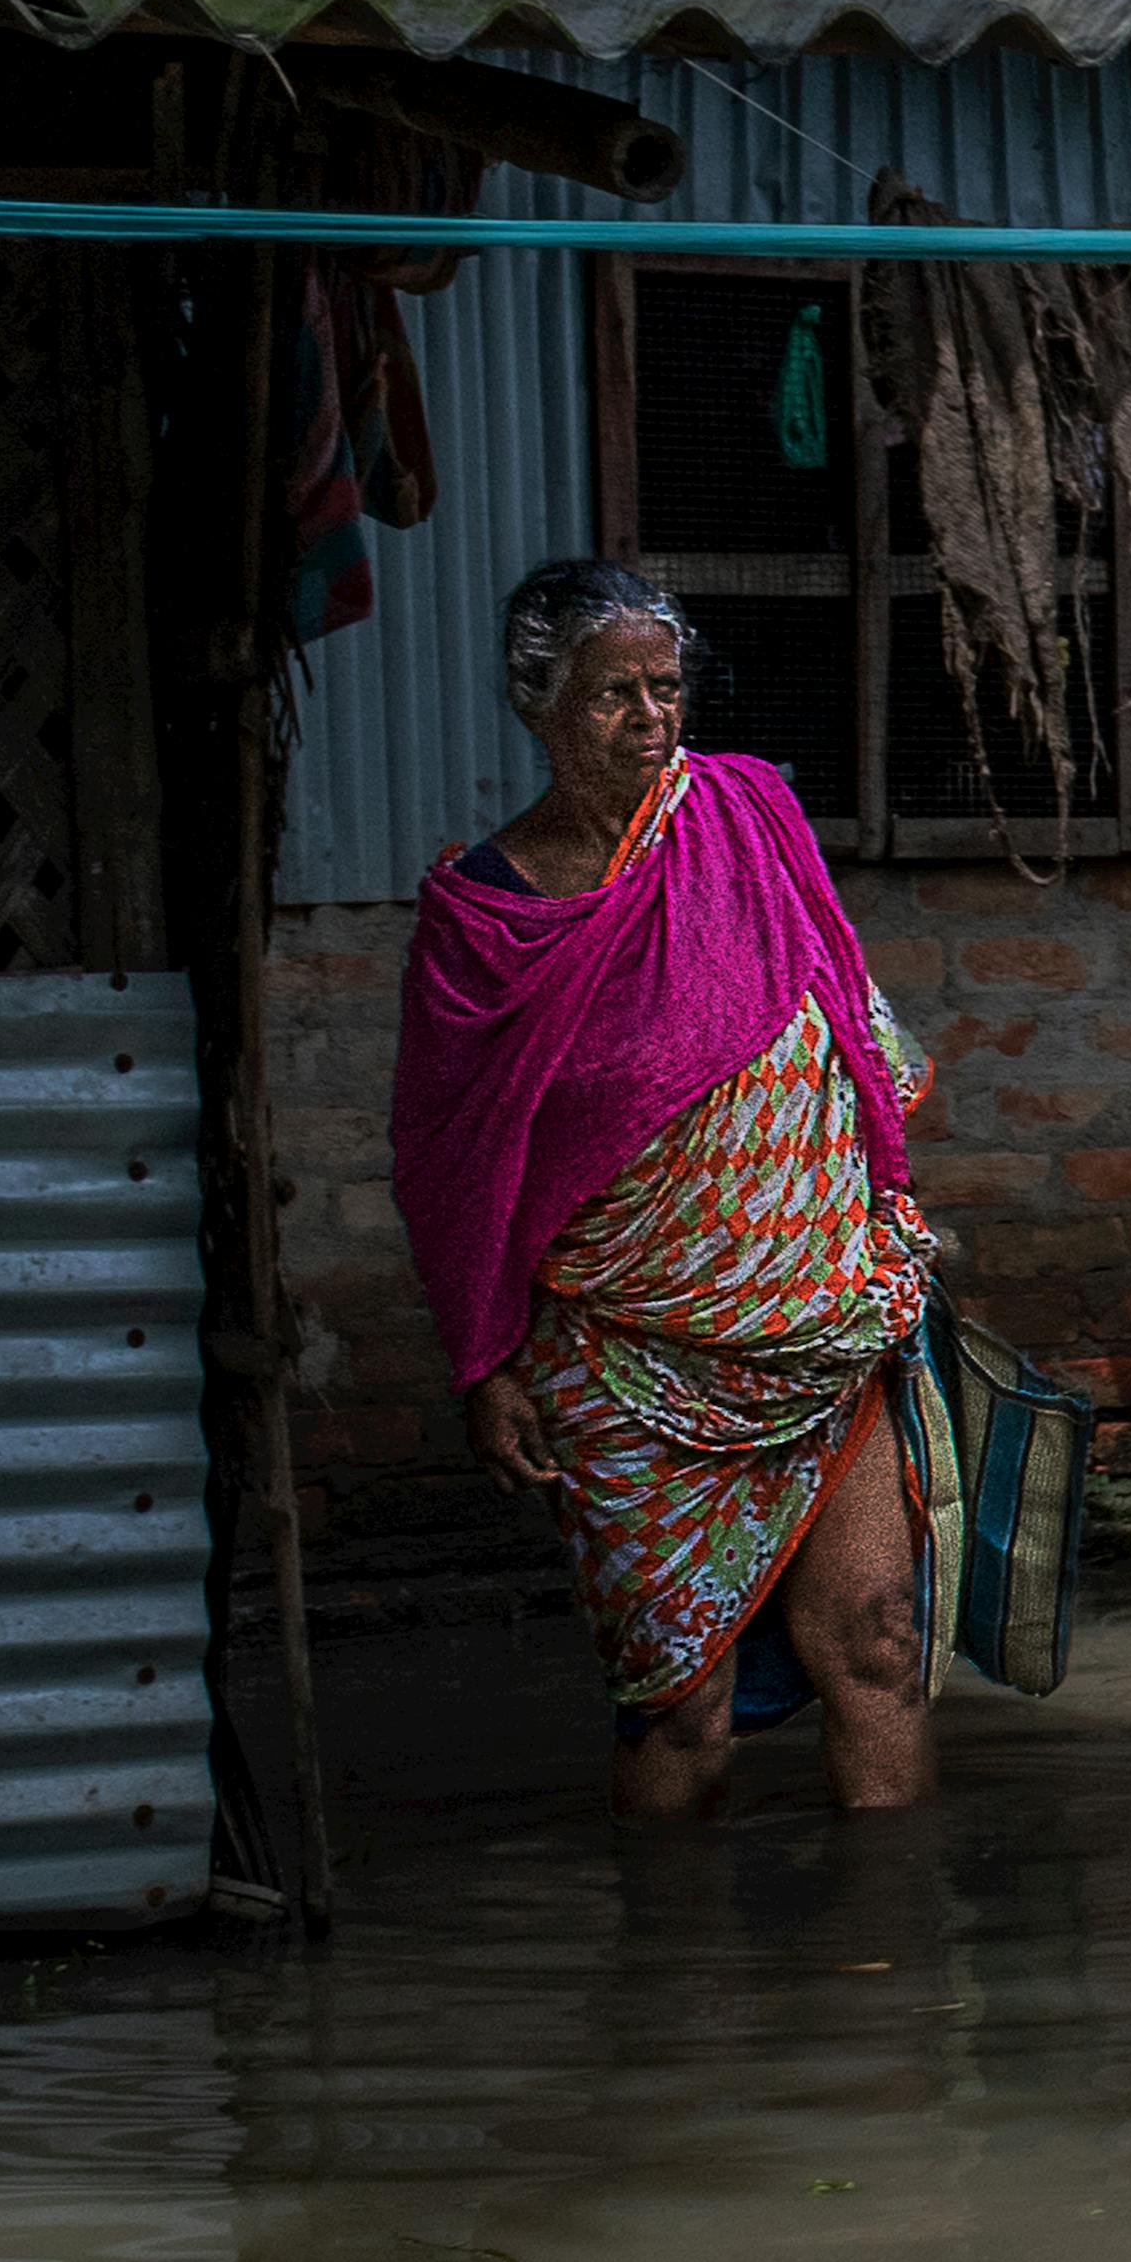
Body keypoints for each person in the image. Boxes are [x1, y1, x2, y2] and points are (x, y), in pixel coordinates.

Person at [386, 559, 940, 1819]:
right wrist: (487, 1366)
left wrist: (868, 1185)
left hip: (818, 1330)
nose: (651, 719)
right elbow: (450, 1161)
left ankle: (904, 1987)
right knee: (677, 1711)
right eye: (612, 696)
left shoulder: (744, 818)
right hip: (618, 1357)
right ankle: (673, 1992)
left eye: (666, 688)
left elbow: (849, 1014)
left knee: (879, 1655)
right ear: (540, 705)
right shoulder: (483, 917)